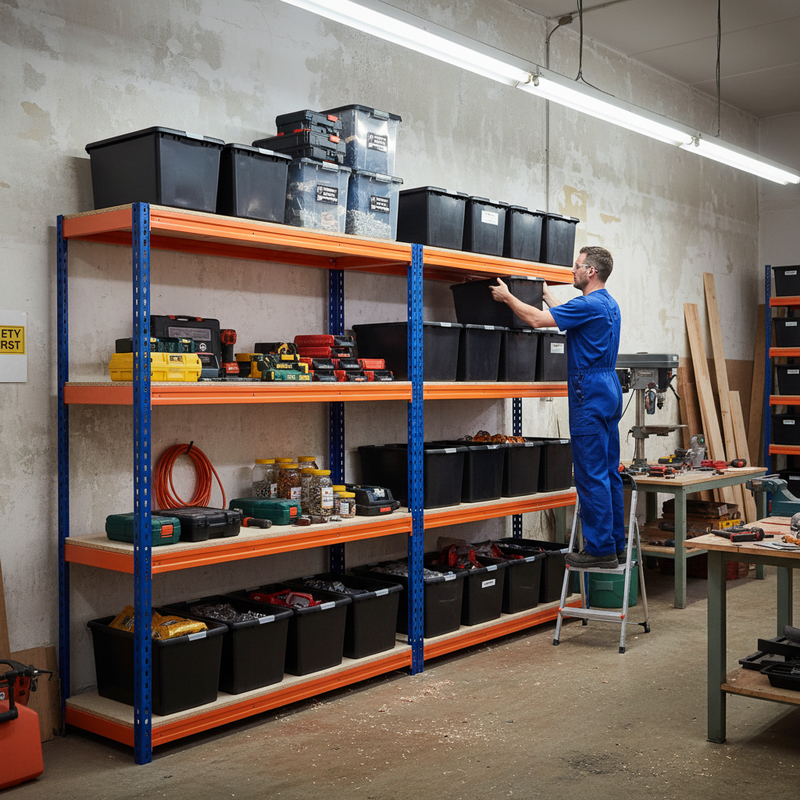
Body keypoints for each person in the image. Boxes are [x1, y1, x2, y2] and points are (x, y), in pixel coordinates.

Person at [490, 246, 624, 569]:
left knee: (590, 475)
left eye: (577, 266)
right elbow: (570, 316)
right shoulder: (608, 305)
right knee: (608, 472)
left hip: (587, 394)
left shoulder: (588, 304)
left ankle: (600, 549)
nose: (572, 270)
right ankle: (616, 544)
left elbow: (536, 321)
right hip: (609, 389)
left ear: (591, 271)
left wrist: (508, 297)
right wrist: (548, 296)